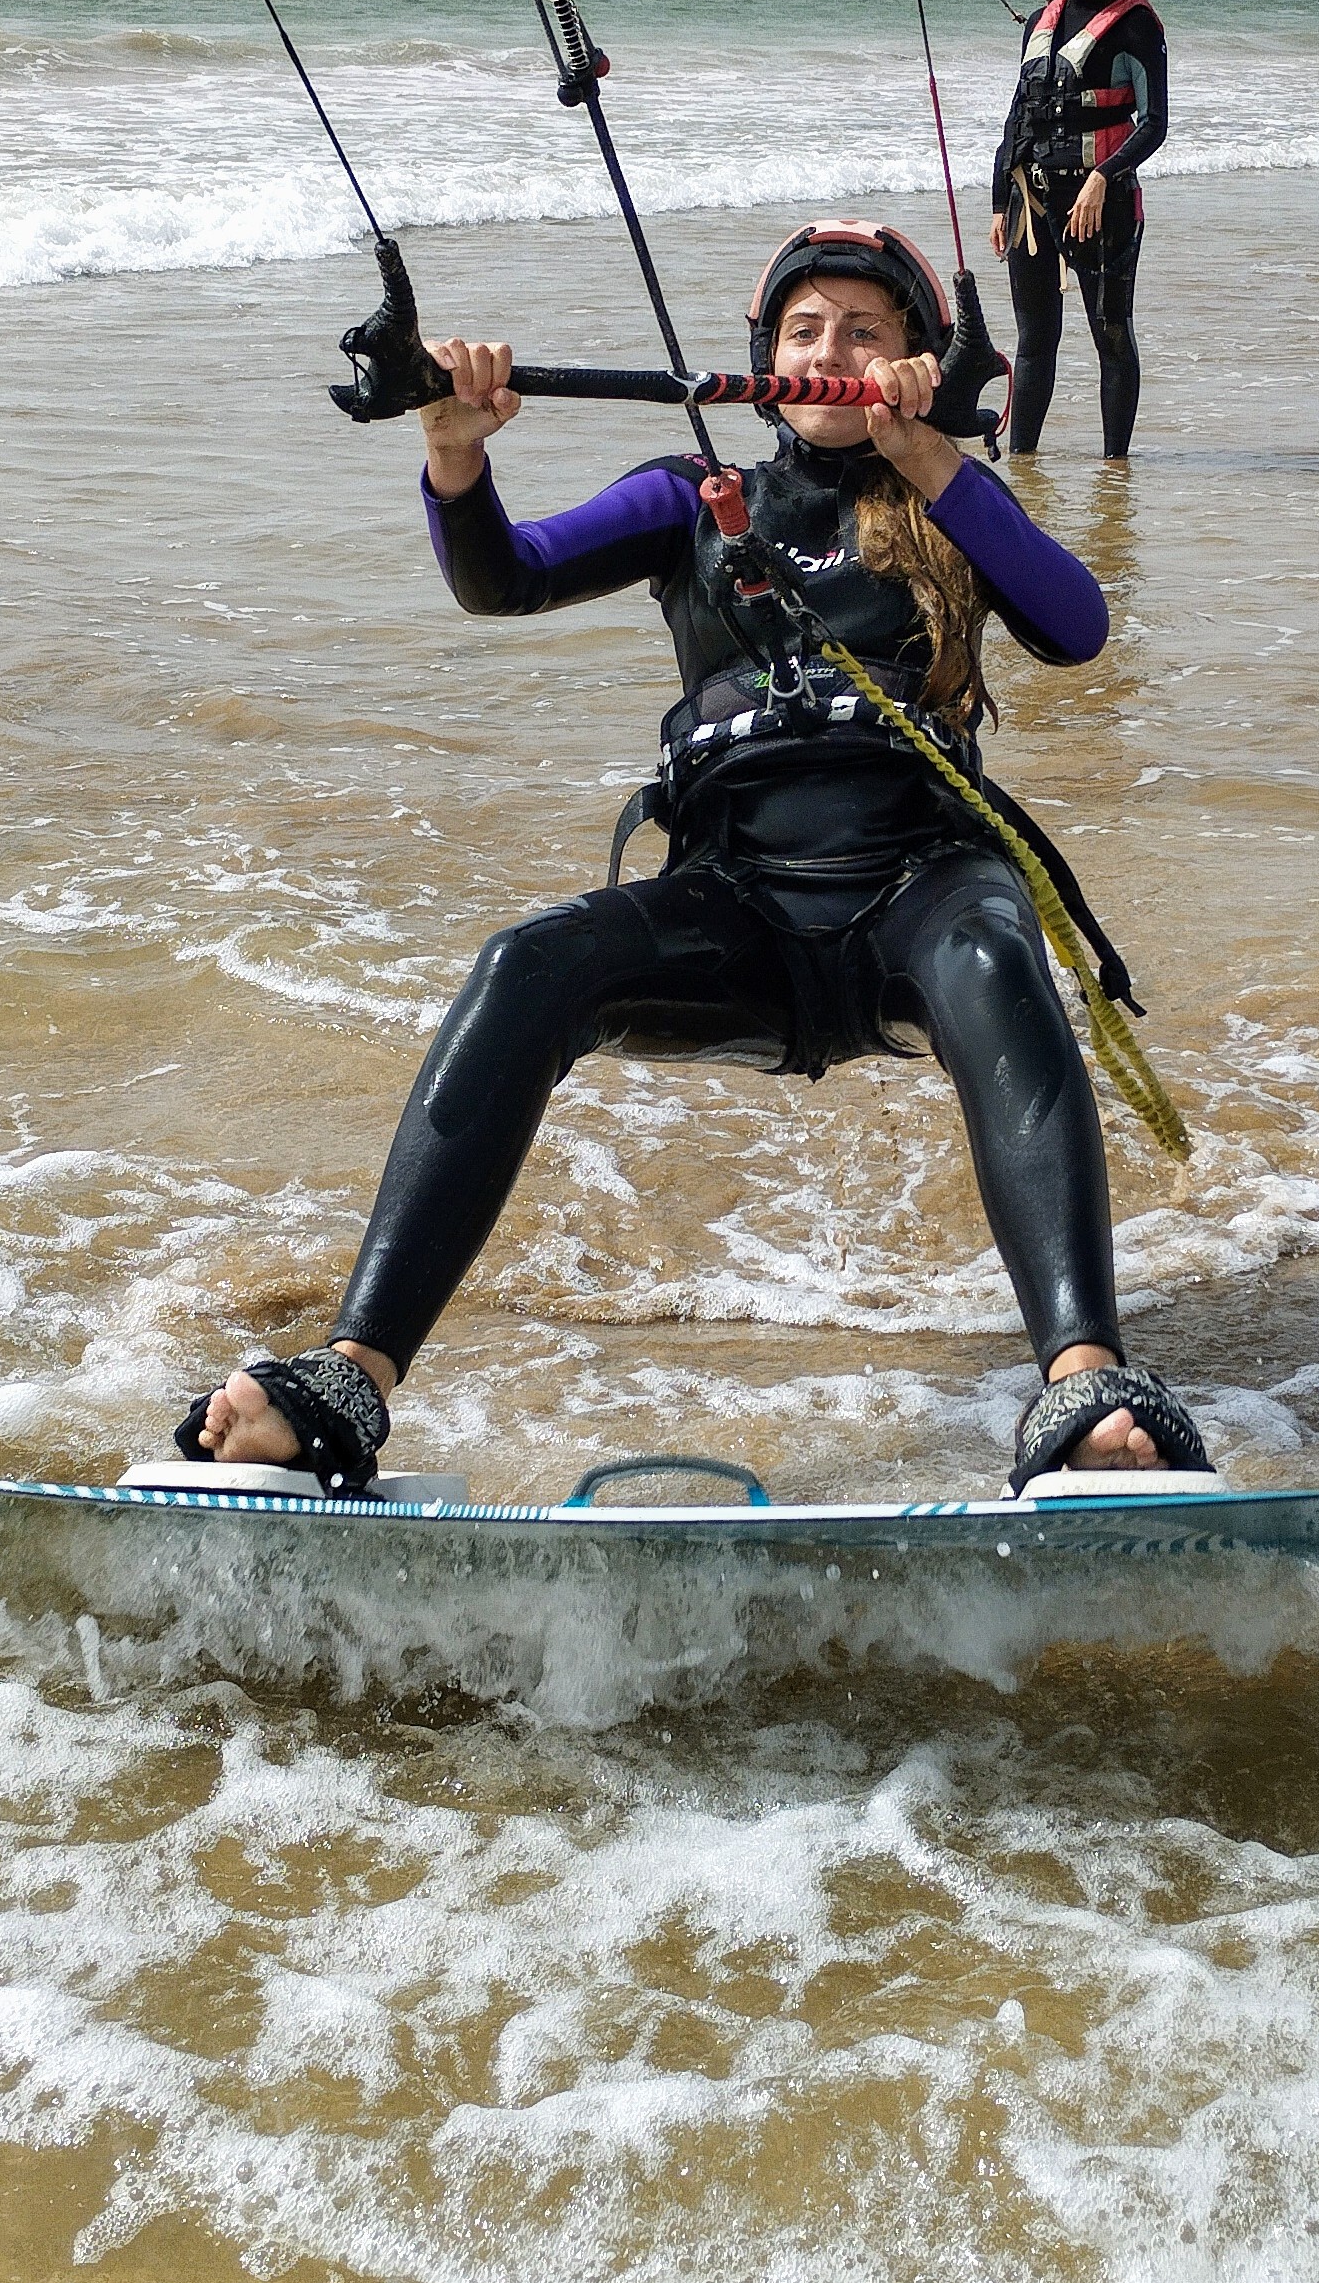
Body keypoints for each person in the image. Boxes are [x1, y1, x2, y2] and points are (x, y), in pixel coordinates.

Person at [178, 221, 1209, 1496]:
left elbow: (1078, 626)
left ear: (918, 362)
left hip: (921, 892)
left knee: (999, 954)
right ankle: (350, 1377)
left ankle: (1084, 1382)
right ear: (764, 359)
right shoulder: (691, 500)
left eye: (866, 332)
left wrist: (928, 454)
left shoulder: (950, 495)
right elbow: (507, 581)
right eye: (804, 332)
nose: (830, 352)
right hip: (735, 908)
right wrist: (456, 452)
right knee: (526, 964)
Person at [989, 0, 1168, 460]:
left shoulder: (1136, 24)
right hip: (1033, 203)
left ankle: (1116, 474)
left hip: (1103, 205)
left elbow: (1156, 123)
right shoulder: (1041, 23)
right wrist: (1000, 201)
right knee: (1034, 341)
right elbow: (1018, 116)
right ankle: (1024, 467)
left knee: (1111, 335)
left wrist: (1103, 177)